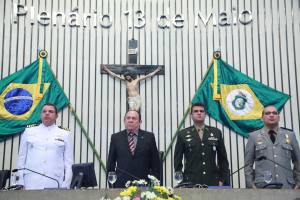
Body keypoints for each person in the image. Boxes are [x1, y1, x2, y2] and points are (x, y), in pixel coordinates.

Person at [16, 103, 73, 190]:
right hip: (31, 182)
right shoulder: (29, 131)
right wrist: (20, 182)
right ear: (40, 115)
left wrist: (66, 184)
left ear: (56, 116)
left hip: (54, 181)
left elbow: (68, 162)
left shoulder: (65, 134)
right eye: (44, 111)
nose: (47, 113)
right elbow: (21, 158)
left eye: (51, 111)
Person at [244, 105, 300, 189]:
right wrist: (251, 185)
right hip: (262, 186)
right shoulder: (253, 136)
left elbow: (298, 161)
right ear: (262, 118)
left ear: (278, 117)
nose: (271, 115)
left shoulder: (290, 135)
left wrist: (298, 183)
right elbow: (248, 164)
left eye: (274, 113)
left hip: (286, 185)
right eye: (267, 113)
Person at [174, 103, 229, 186]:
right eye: (196, 111)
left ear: (205, 114)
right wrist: (181, 181)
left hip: (213, 181)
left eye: (201, 111)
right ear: (191, 115)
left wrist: (222, 179)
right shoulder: (183, 134)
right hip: (190, 182)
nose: (199, 113)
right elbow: (177, 161)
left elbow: (223, 159)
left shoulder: (216, 132)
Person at [106, 110, 160, 188]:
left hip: (144, 184)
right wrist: (111, 185)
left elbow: (155, 164)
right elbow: (111, 164)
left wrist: (155, 184)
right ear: (124, 121)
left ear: (140, 122)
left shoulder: (149, 137)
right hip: (121, 184)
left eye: (134, 118)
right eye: (128, 118)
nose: (130, 120)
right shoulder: (116, 137)